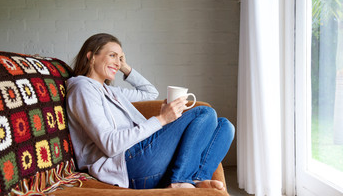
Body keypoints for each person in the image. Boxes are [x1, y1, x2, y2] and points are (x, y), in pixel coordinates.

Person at [66, 33, 235, 190]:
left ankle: (197, 179)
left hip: (142, 156)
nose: (118, 62)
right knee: (204, 113)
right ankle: (179, 182)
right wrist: (162, 119)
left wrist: (124, 67)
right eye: (112, 55)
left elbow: (150, 92)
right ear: (91, 56)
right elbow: (111, 145)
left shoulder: (112, 91)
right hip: (125, 165)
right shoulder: (82, 88)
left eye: (121, 58)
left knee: (224, 126)